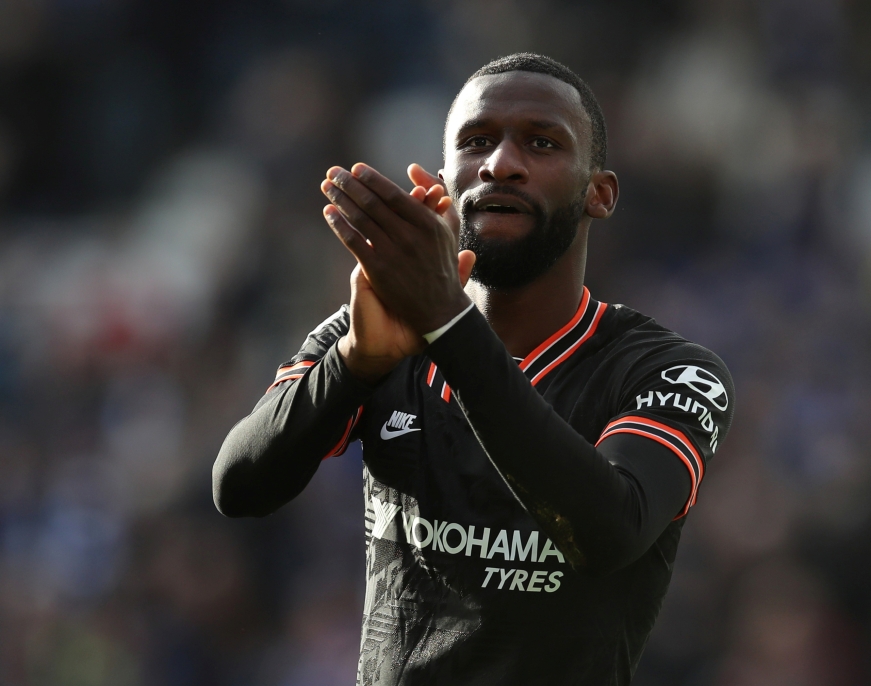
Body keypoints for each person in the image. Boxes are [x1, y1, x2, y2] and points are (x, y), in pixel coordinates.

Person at [213, 53, 735, 685]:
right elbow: (238, 486)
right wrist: (354, 363)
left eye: (541, 143)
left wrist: (448, 325)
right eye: (477, 142)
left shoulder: (667, 371)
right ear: (444, 182)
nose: (501, 163)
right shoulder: (375, 332)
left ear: (599, 193)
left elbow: (610, 530)